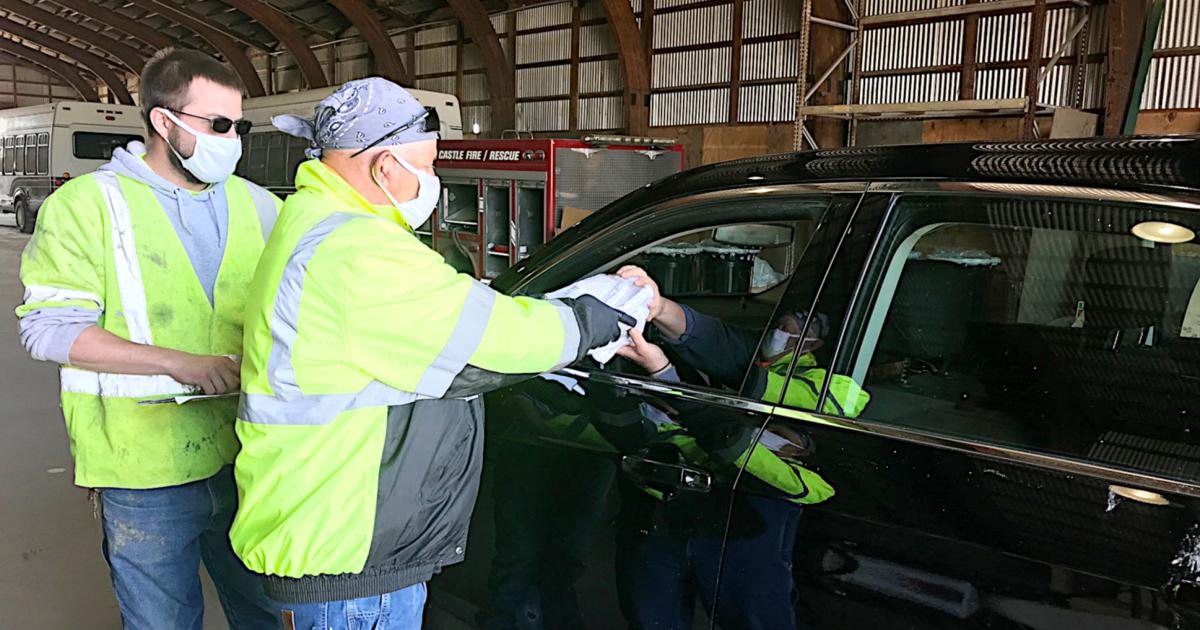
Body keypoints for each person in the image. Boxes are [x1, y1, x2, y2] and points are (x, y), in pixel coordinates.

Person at [228, 77, 629, 630]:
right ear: (385, 167)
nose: (432, 180)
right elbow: (497, 344)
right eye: (428, 164)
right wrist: (601, 313)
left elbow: (450, 310)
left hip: (319, 522)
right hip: (347, 553)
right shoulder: (358, 251)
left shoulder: (315, 221)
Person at [14, 48, 280, 629]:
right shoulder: (88, 206)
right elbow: (48, 330)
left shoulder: (258, 206)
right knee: (162, 620)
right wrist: (181, 363)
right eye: (218, 125)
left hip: (248, 452)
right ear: (165, 122)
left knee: (264, 613)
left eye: (240, 126)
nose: (232, 139)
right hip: (142, 469)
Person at [609, 265, 867, 630]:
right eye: (784, 319)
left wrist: (667, 379)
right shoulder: (749, 354)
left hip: (745, 536)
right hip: (672, 519)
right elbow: (720, 346)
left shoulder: (835, 393)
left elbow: (733, 434)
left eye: (801, 324)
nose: (784, 329)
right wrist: (661, 307)